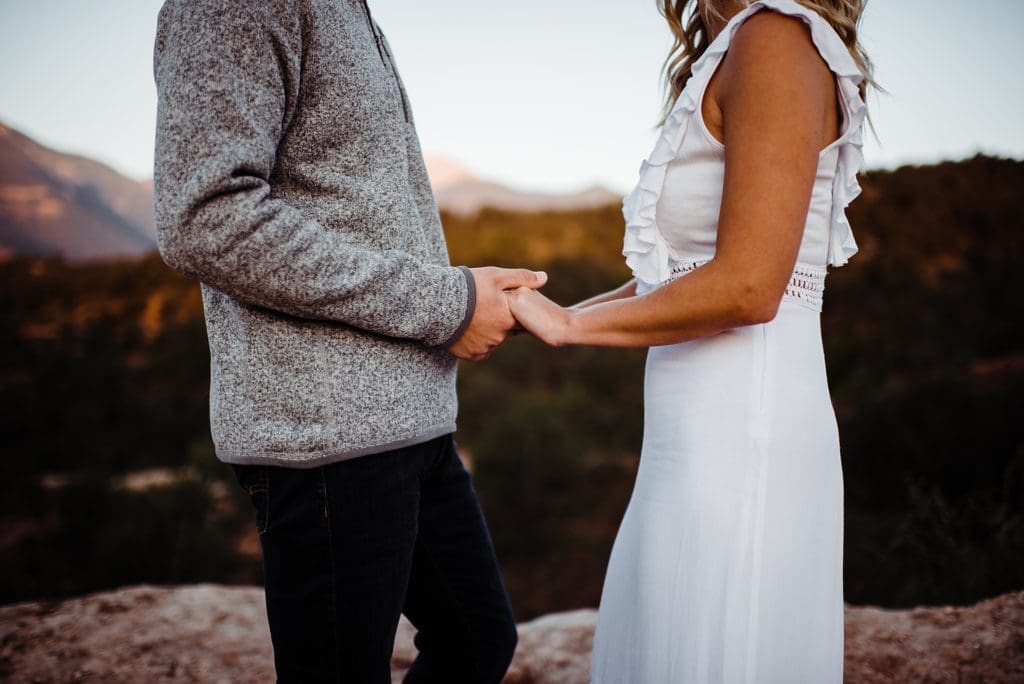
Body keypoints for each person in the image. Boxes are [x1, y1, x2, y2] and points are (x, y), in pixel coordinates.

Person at [152, 1, 546, 681]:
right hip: (326, 442)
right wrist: (448, 303)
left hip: (414, 428)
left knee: (478, 639)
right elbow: (205, 217)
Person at [508, 0, 874, 680]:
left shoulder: (775, 37)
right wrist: (552, 316)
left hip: (741, 440)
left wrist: (570, 327)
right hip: (694, 442)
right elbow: (676, 276)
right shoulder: (738, 44)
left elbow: (748, 287)